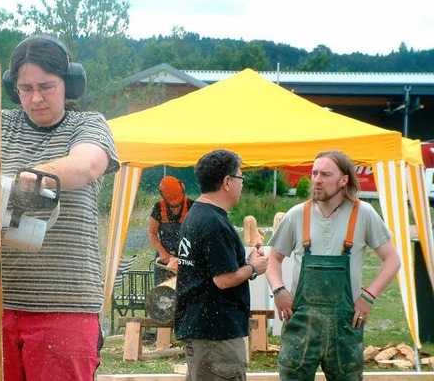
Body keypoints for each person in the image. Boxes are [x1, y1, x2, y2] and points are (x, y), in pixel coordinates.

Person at [0, 34, 120, 381]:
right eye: (25, 88)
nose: (36, 98)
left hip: (66, 306)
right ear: (14, 89)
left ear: (69, 83)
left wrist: (13, 184)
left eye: (46, 86)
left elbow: (85, 165)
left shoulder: (87, 125)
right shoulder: (1, 125)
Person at [265, 150, 401, 381]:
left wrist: (368, 296)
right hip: (302, 325)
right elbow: (272, 259)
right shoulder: (298, 214)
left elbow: (393, 260)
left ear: (343, 179)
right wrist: (278, 290)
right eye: (315, 173)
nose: (317, 179)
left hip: (345, 327)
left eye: (325, 174)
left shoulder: (364, 213)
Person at [174, 149, 269, 381]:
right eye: (240, 178)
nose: (242, 184)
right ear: (227, 182)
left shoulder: (196, 215)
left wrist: (246, 263)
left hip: (202, 331)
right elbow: (223, 280)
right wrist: (254, 268)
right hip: (217, 335)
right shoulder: (214, 223)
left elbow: (213, 270)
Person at [148, 176, 194, 284]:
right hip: (165, 258)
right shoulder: (159, 207)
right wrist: (162, 253)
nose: (175, 205)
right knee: (163, 292)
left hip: (186, 257)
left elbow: (198, 233)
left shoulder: (192, 206)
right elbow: (151, 232)